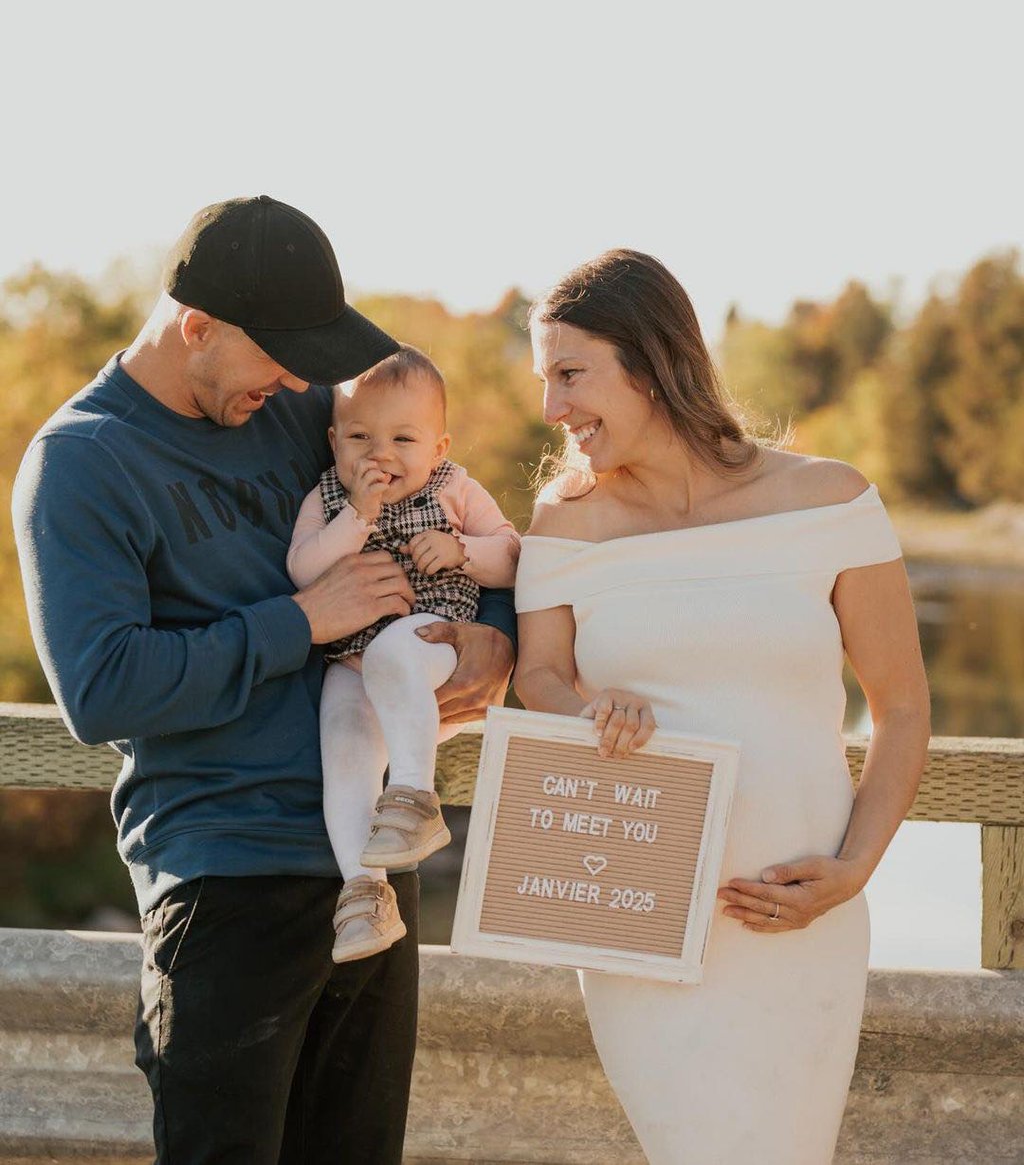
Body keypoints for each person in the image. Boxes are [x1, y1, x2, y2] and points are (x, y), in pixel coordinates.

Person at [12, 196, 516, 1165]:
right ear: (196, 325)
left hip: (369, 870)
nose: (297, 380)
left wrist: (486, 631)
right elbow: (102, 688)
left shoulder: (298, 416)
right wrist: (299, 622)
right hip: (222, 881)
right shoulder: (81, 464)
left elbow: (445, 500)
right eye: (277, 354)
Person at [514, 249, 930, 1165]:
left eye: (571, 374)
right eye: (547, 380)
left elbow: (902, 711)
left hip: (796, 921)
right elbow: (537, 676)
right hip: (639, 913)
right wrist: (588, 707)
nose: (553, 409)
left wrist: (854, 869)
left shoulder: (830, 501)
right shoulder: (564, 520)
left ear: (653, 362)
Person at [286, 344, 520, 962]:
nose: (380, 454)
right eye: (360, 436)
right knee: (343, 752)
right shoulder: (328, 499)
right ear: (334, 441)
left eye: (404, 439)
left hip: (433, 639)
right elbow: (303, 568)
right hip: (350, 660)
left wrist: (464, 549)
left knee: (395, 651)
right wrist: (356, 518)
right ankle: (365, 894)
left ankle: (415, 795)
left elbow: (514, 554)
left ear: (438, 448)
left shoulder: (455, 488)